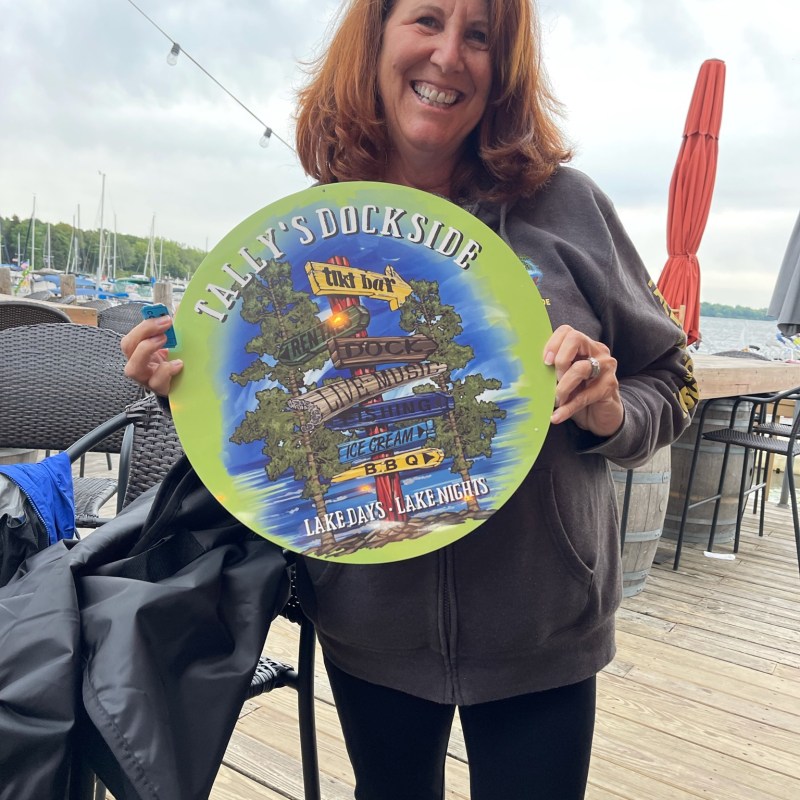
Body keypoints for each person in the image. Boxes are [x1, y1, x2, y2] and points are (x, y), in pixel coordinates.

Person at [122, 0, 698, 797]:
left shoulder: (567, 206)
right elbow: (259, 426)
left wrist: (609, 411)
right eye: (427, 20)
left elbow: (672, 378)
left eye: (481, 37)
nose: (449, 55)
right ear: (377, 38)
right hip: (370, 621)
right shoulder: (309, 234)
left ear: (506, 68)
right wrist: (180, 388)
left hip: (541, 627)